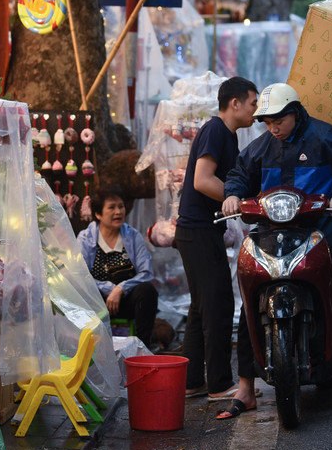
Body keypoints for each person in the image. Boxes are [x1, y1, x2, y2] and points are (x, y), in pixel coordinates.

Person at [222, 83, 332, 412]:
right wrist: (232, 193)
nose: (273, 128)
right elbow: (238, 174)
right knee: (250, 303)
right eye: (267, 122)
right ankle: (245, 389)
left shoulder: (325, 138)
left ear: (295, 112)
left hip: (318, 236)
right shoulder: (262, 147)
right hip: (271, 236)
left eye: (279, 120)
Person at [175, 77, 259, 403]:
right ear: (234, 103)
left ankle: (193, 381)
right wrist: (239, 200)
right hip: (197, 230)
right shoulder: (216, 130)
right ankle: (220, 384)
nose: (256, 110)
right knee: (219, 305)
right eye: (253, 103)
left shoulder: (227, 135)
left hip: (200, 231)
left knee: (201, 309)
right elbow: (202, 180)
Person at [77, 186, 158, 348]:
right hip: (99, 301)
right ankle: (92, 350)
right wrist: (108, 288)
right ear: (98, 214)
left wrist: (120, 289)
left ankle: (142, 350)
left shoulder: (133, 236)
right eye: (112, 207)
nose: (118, 212)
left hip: (127, 300)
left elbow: (146, 272)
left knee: (147, 291)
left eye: (121, 206)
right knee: (82, 292)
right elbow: (80, 276)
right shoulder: (85, 238)